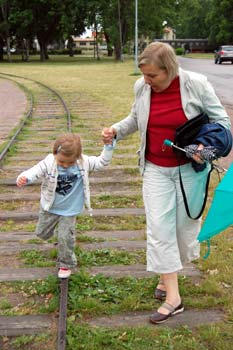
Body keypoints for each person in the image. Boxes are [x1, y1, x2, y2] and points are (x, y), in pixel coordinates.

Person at [102, 42, 231, 324]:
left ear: (169, 69)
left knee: (184, 231)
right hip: (155, 170)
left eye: (152, 76)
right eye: (144, 75)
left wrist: (203, 146)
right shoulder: (142, 87)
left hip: (190, 171)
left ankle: (166, 276)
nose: (146, 81)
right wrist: (116, 130)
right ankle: (174, 297)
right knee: (160, 228)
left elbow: (223, 122)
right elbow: (136, 118)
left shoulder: (196, 84)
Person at [16, 133, 115, 279]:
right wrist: (25, 177)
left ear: (78, 157)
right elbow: (35, 171)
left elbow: (102, 162)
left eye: (70, 162)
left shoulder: (84, 162)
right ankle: (56, 233)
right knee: (42, 233)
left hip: (70, 210)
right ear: (55, 153)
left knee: (65, 237)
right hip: (49, 207)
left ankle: (65, 263)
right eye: (62, 162)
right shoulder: (49, 161)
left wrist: (108, 146)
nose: (66, 165)